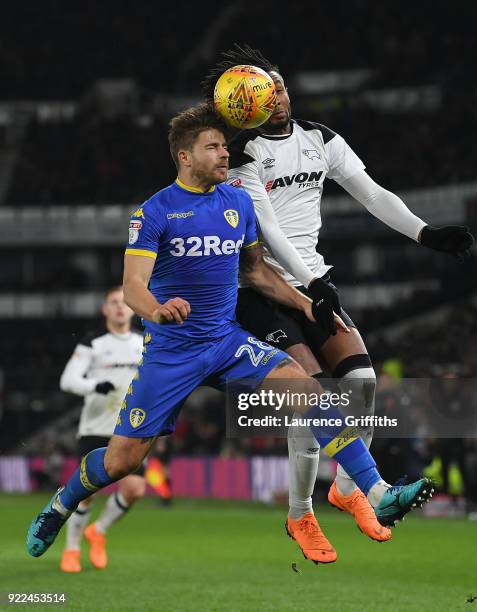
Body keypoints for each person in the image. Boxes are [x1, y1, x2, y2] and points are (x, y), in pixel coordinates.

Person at [27, 103, 433, 564]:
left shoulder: (237, 200)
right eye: (214, 147)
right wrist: (158, 311)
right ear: (185, 156)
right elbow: (133, 287)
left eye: (224, 145)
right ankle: (62, 503)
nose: (226, 154)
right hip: (172, 353)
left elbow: (257, 272)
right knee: (121, 463)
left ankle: (377, 491)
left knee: (309, 390)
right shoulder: (155, 212)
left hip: (225, 341)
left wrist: (305, 302)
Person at [202, 44, 473, 562]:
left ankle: (347, 489)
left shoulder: (320, 139)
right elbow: (270, 232)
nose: (275, 97)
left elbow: (371, 193)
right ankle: (299, 512)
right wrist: (309, 283)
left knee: (362, 385)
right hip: (265, 291)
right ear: (246, 105)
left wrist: (424, 233)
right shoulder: (241, 158)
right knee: (312, 395)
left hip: (316, 282)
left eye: (278, 86)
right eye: (264, 91)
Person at [58, 286, 145, 572]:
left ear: (132, 308)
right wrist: (94, 385)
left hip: (130, 427)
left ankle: (99, 531)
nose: (120, 307)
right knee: (87, 492)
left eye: (124, 302)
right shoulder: (92, 343)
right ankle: (71, 550)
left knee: (135, 489)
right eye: (113, 303)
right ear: (105, 309)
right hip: (95, 426)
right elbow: (68, 381)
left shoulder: (145, 342)